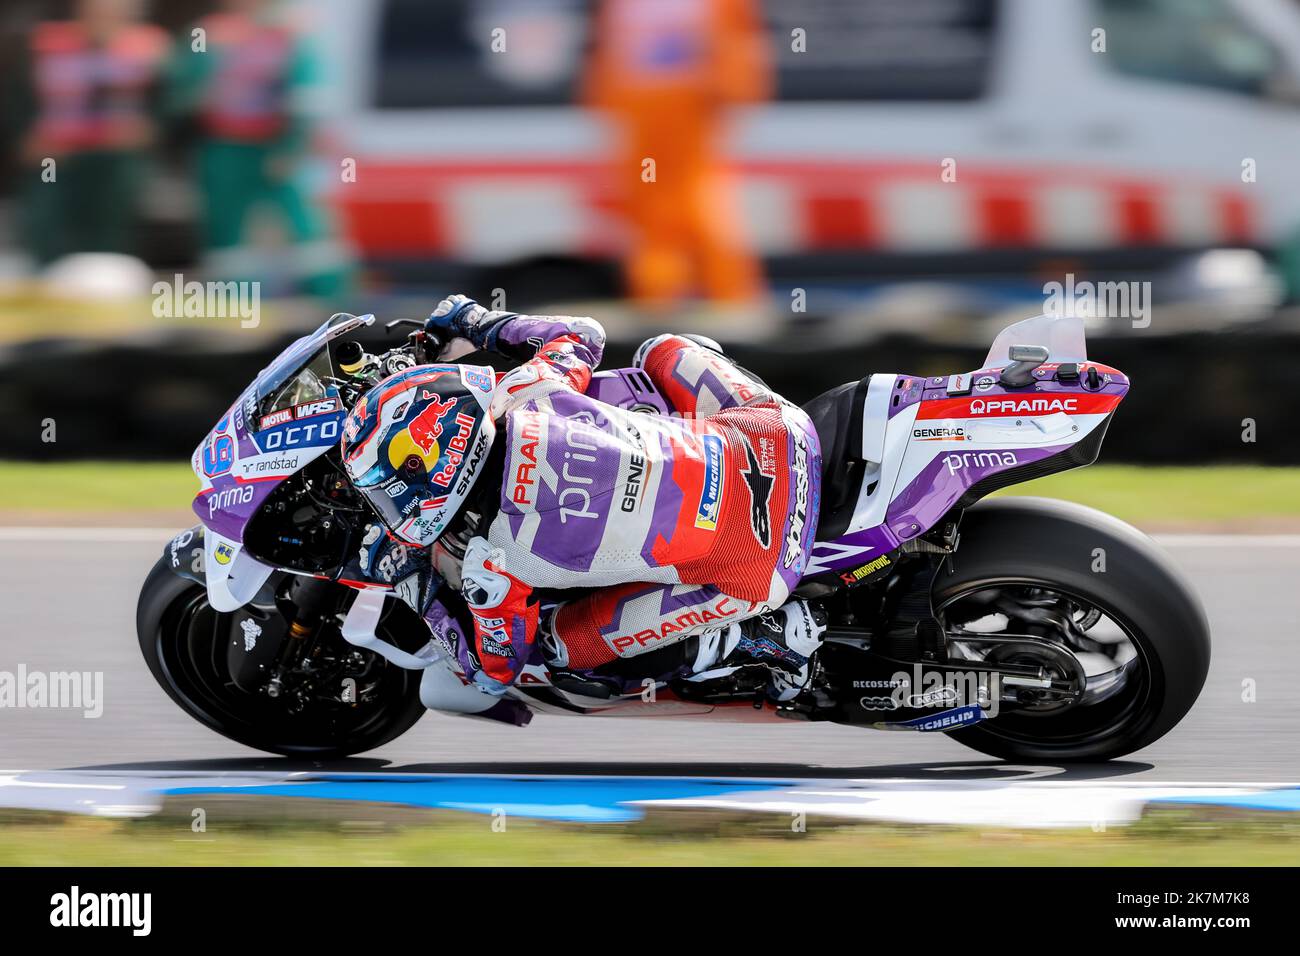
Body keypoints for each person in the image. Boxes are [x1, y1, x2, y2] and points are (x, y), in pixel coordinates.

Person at [340, 296, 825, 702]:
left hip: (756, 567)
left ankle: (757, 639)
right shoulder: (529, 391)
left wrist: (416, 588)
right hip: (778, 434)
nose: (387, 502)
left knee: (559, 649)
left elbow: (492, 672)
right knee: (662, 349)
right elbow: (584, 333)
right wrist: (478, 322)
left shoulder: (491, 562)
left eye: (387, 489)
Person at [581, 0, 771, 307]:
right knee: (660, 207)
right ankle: (671, 295)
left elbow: (736, 46)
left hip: (680, 102)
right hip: (651, 102)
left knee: (686, 202)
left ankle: (717, 295)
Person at [166, 0, 351, 297]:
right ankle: (233, 300)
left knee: (306, 227)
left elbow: (308, 97)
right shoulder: (208, 36)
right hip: (225, 149)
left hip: (277, 147)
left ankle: (330, 297)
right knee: (227, 233)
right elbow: (180, 93)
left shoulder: (294, 35)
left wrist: (290, 149)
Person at [9, 0, 168, 265]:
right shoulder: (44, 45)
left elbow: (167, 104)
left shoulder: (150, 50)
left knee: (109, 236)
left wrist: (152, 129)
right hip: (56, 158)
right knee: (47, 226)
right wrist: (23, 138)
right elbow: (17, 98)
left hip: (116, 158)